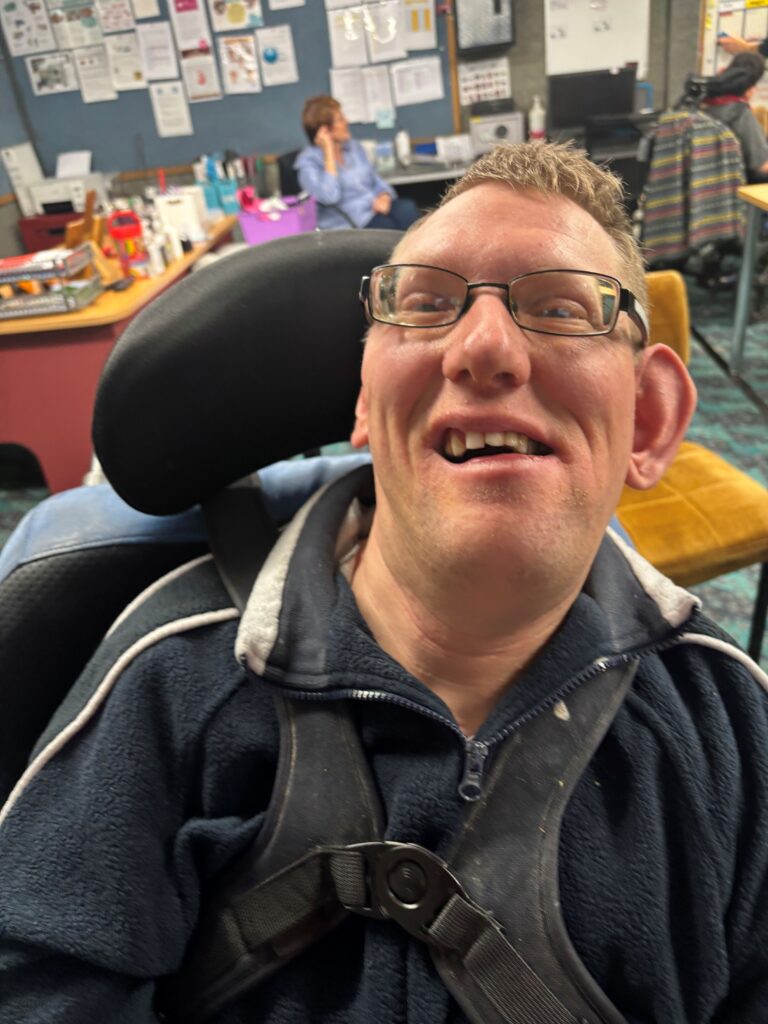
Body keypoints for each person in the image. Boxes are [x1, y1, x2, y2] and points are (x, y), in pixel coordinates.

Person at [1, 142, 768, 1024]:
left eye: (561, 307)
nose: (484, 347)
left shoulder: (728, 727)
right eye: (428, 306)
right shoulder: (165, 685)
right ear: (364, 403)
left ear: (650, 417)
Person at [294, 94, 420, 231]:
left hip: (374, 208)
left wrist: (384, 195)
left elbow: (375, 179)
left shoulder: (353, 147)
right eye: (340, 119)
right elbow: (330, 197)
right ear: (325, 130)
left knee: (408, 210)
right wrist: (329, 153)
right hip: (350, 223)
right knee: (389, 229)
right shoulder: (308, 165)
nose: (347, 122)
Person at [702, 50, 768, 181]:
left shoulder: (704, 106)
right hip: (737, 185)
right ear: (751, 88)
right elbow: (761, 165)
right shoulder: (740, 114)